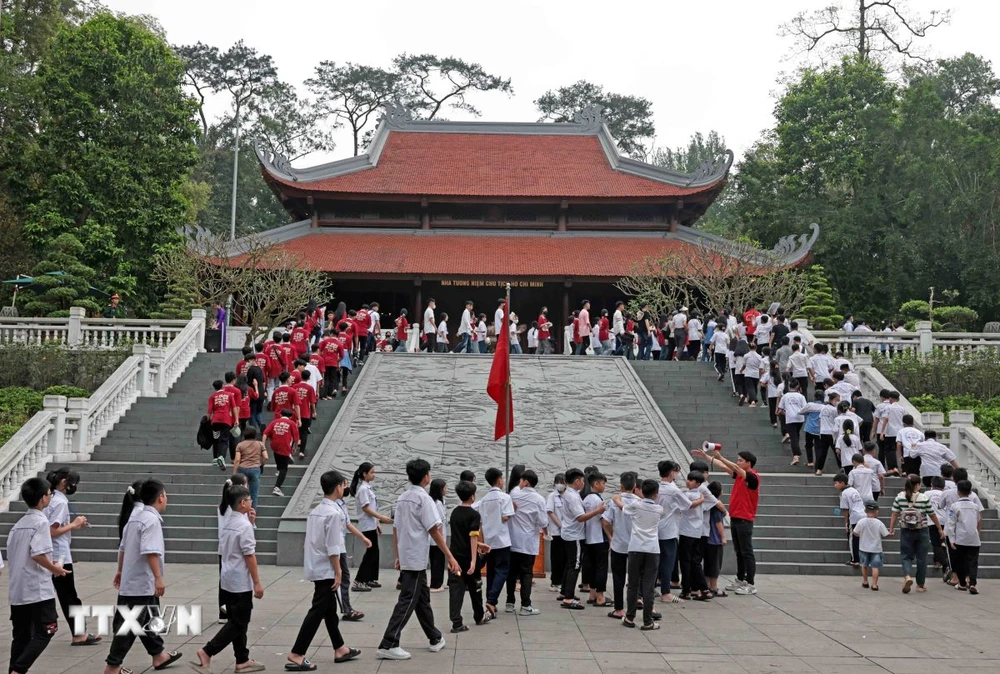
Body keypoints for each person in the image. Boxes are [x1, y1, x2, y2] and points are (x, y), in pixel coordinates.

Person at [376, 459, 460, 661]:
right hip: (415, 556)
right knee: (407, 600)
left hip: (409, 554)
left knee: (421, 599)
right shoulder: (424, 500)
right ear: (426, 477)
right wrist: (450, 556)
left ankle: (434, 637)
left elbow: (397, 528)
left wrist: (398, 554)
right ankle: (389, 642)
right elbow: (434, 529)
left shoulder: (403, 497)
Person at [285, 471, 362, 671]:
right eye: (343, 485)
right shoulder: (334, 514)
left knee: (329, 611)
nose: (344, 488)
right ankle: (297, 653)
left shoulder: (316, 511)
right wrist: (338, 573)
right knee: (317, 611)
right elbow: (333, 547)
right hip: (326, 569)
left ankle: (340, 648)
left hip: (316, 566)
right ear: (338, 487)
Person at [104, 480, 182, 674]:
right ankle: (113, 666)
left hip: (133, 580)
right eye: (165, 494)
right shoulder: (151, 521)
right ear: (160, 497)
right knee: (129, 625)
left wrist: (120, 571)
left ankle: (158, 655)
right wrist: (158, 578)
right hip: (141, 581)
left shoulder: (135, 517)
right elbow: (151, 552)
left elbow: (123, 548)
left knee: (149, 617)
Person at [190, 484, 265, 674]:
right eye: (249, 500)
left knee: (237, 621)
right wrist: (257, 582)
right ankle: (207, 651)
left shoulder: (230, 521)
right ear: (242, 503)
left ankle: (242, 659)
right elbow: (249, 555)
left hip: (227, 578)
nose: (251, 502)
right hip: (240, 581)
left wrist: (251, 522)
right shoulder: (244, 526)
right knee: (239, 623)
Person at [8, 477, 70, 674]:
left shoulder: (18, 525)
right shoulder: (41, 522)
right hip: (37, 589)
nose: (50, 497)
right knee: (47, 630)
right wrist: (56, 569)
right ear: (44, 498)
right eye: (49, 494)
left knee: (22, 636)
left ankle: (13, 669)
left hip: (18, 590)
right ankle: (18, 669)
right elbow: (37, 554)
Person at [44, 468, 100, 646]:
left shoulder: (49, 498)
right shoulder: (60, 503)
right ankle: (79, 634)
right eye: (72, 483)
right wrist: (74, 524)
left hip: (49, 553)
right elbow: (52, 531)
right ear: (63, 482)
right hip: (59, 555)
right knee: (69, 596)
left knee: (59, 594)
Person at [694, 447, 760, 595]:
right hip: (736, 517)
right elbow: (724, 467)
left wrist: (721, 456)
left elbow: (733, 466)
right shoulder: (739, 476)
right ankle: (740, 579)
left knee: (747, 552)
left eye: (740, 460)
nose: (737, 462)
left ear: (748, 463)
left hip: (745, 518)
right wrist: (707, 457)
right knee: (739, 551)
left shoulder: (753, 477)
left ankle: (750, 583)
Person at [889, 474, 945, 593]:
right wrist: (939, 528)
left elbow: (894, 513)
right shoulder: (923, 497)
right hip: (922, 530)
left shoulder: (899, 497)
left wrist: (891, 528)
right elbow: (932, 514)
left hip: (906, 530)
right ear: (918, 485)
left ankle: (907, 576)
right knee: (921, 558)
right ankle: (920, 585)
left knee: (906, 556)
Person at [448, 480, 491, 632]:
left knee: (456, 589)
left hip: (454, 556)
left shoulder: (454, 512)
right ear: (472, 496)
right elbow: (473, 537)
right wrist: (474, 560)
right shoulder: (474, 515)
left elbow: (459, 536)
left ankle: (456, 622)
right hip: (468, 557)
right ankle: (479, 616)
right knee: (475, 587)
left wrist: (480, 545)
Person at [559, 468, 605, 610]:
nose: (584, 484)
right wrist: (597, 511)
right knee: (575, 565)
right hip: (575, 535)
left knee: (570, 564)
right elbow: (580, 518)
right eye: (582, 481)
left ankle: (565, 592)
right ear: (577, 481)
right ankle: (568, 598)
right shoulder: (572, 497)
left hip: (568, 533)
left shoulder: (569, 494)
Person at [506, 469, 547, 615]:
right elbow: (543, 521)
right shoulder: (539, 499)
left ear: (526, 482)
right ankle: (525, 605)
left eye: (521, 480)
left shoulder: (514, 493)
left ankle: (509, 602)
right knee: (526, 574)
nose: (519, 483)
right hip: (528, 542)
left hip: (512, 540)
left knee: (511, 573)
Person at [350, 462, 393, 591]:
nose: (373, 475)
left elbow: (372, 507)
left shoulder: (367, 488)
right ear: (364, 474)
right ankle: (359, 581)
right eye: (371, 472)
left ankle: (370, 578)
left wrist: (377, 523)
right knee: (371, 552)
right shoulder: (363, 489)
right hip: (366, 525)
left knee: (375, 552)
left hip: (371, 524)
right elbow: (366, 509)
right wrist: (381, 517)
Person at [602, 472, 638, 620]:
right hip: (636, 545)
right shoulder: (639, 502)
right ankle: (635, 605)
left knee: (618, 577)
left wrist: (611, 537)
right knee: (636, 578)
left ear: (621, 486)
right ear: (635, 486)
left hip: (618, 544)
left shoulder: (614, 501)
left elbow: (605, 521)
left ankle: (618, 609)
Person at [654, 460, 689, 604]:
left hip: (657, 527)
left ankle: (652, 588)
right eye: (676, 471)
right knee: (667, 562)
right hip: (669, 529)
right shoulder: (673, 490)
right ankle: (666, 592)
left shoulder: (657, 487)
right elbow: (687, 504)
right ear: (671, 472)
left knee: (656, 561)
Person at [678, 472, 710, 601]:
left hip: (686, 531)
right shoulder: (700, 495)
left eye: (691, 480)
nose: (688, 481)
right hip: (697, 532)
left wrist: (700, 500)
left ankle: (686, 590)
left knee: (685, 561)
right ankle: (704, 589)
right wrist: (701, 500)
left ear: (697, 483)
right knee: (695, 561)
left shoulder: (688, 495)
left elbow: (687, 505)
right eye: (688, 479)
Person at [947, 480, 983, 594]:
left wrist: (951, 539)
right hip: (973, 538)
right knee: (973, 561)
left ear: (958, 492)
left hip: (960, 538)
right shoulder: (975, 506)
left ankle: (962, 583)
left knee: (960, 561)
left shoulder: (954, 506)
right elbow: (978, 520)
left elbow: (951, 523)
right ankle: (972, 583)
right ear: (970, 491)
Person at [581, 471, 610, 607]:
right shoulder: (598, 500)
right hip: (599, 538)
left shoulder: (585, 499)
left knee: (592, 567)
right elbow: (604, 521)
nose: (604, 486)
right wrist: (610, 537)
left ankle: (592, 594)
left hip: (588, 538)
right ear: (596, 484)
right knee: (601, 568)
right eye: (603, 483)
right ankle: (600, 596)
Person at [853, 502, 888, 591]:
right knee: (875, 567)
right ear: (877, 512)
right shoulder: (879, 522)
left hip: (863, 547)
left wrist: (860, 535)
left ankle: (865, 581)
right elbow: (885, 534)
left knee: (864, 565)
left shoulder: (861, 522)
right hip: (876, 548)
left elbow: (855, 532)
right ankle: (875, 584)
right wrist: (891, 533)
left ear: (865, 511)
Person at [264, 410, 299, 497]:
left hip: (275, 446)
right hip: (285, 446)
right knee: (284, 469)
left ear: (280, 414)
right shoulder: (291, 423)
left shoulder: (274, 422)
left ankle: (282, 465)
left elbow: (265, 433)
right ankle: (277, 487)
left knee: (280, 464)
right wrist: (294, 448)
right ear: (290, 416)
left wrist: (263, 445)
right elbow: (296, 438)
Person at [834, 473, 865, 567]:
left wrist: (846, 523)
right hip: (863, 515)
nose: (834, 485)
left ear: (842, 483)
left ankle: (855, 560)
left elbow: (845, 509)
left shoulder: (844, 494)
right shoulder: (854, 490)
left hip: (854, 517)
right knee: (860, 538)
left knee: (853, 539)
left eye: (836, 483)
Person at [232, 426, 266, 512]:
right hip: (255, 469)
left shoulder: (240, 445)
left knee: (241, 494)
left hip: (242, 469)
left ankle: (241, 513)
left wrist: (234, 473)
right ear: (255, 434)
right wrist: (261, 464)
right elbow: (266, 457)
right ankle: (252, 516)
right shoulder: (260, 444)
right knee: (253, 494)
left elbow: (237, 460)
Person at [208, 379, 239, 470]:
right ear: (222, 386)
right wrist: (236, 419)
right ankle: (222, 456)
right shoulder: (229, 395)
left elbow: (209, 412)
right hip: (226, 420)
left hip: (215, 421)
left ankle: (215, 458)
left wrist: (209, 420)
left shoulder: (212, 396)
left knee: (216, 438)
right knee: (224, 439)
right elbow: (234, 408)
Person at [545, 474, 567, 593]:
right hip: (556, 532)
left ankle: (564, 582)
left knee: (566, 558)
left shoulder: (570, 496)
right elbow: (550, 511)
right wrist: (561, 525)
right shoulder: (552, 496)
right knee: (556, 558)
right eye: (558, 481)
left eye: (562, 481)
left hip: (568, 532)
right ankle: (555, 582)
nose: (560, 484)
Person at [777, 380, 807, 464]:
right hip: (800, 418)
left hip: (790, 418)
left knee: (793, 437)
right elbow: (805, 408)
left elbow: (780, 409)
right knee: (796, 434)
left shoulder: (785, 396)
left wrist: (784, 413)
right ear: (797, 387)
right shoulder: (801, 396)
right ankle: (797, 453)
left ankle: (796, 455)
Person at [428, 479, 449, 592]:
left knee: (439, 561)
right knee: (437, 562)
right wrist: (441, 539)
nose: (446, 490)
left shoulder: (439, 502)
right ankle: (435, 584)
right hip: (437, 539)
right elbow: (439, 523)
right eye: (445, 488)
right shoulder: (437, 503)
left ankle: (439, 581)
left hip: (438, 538)